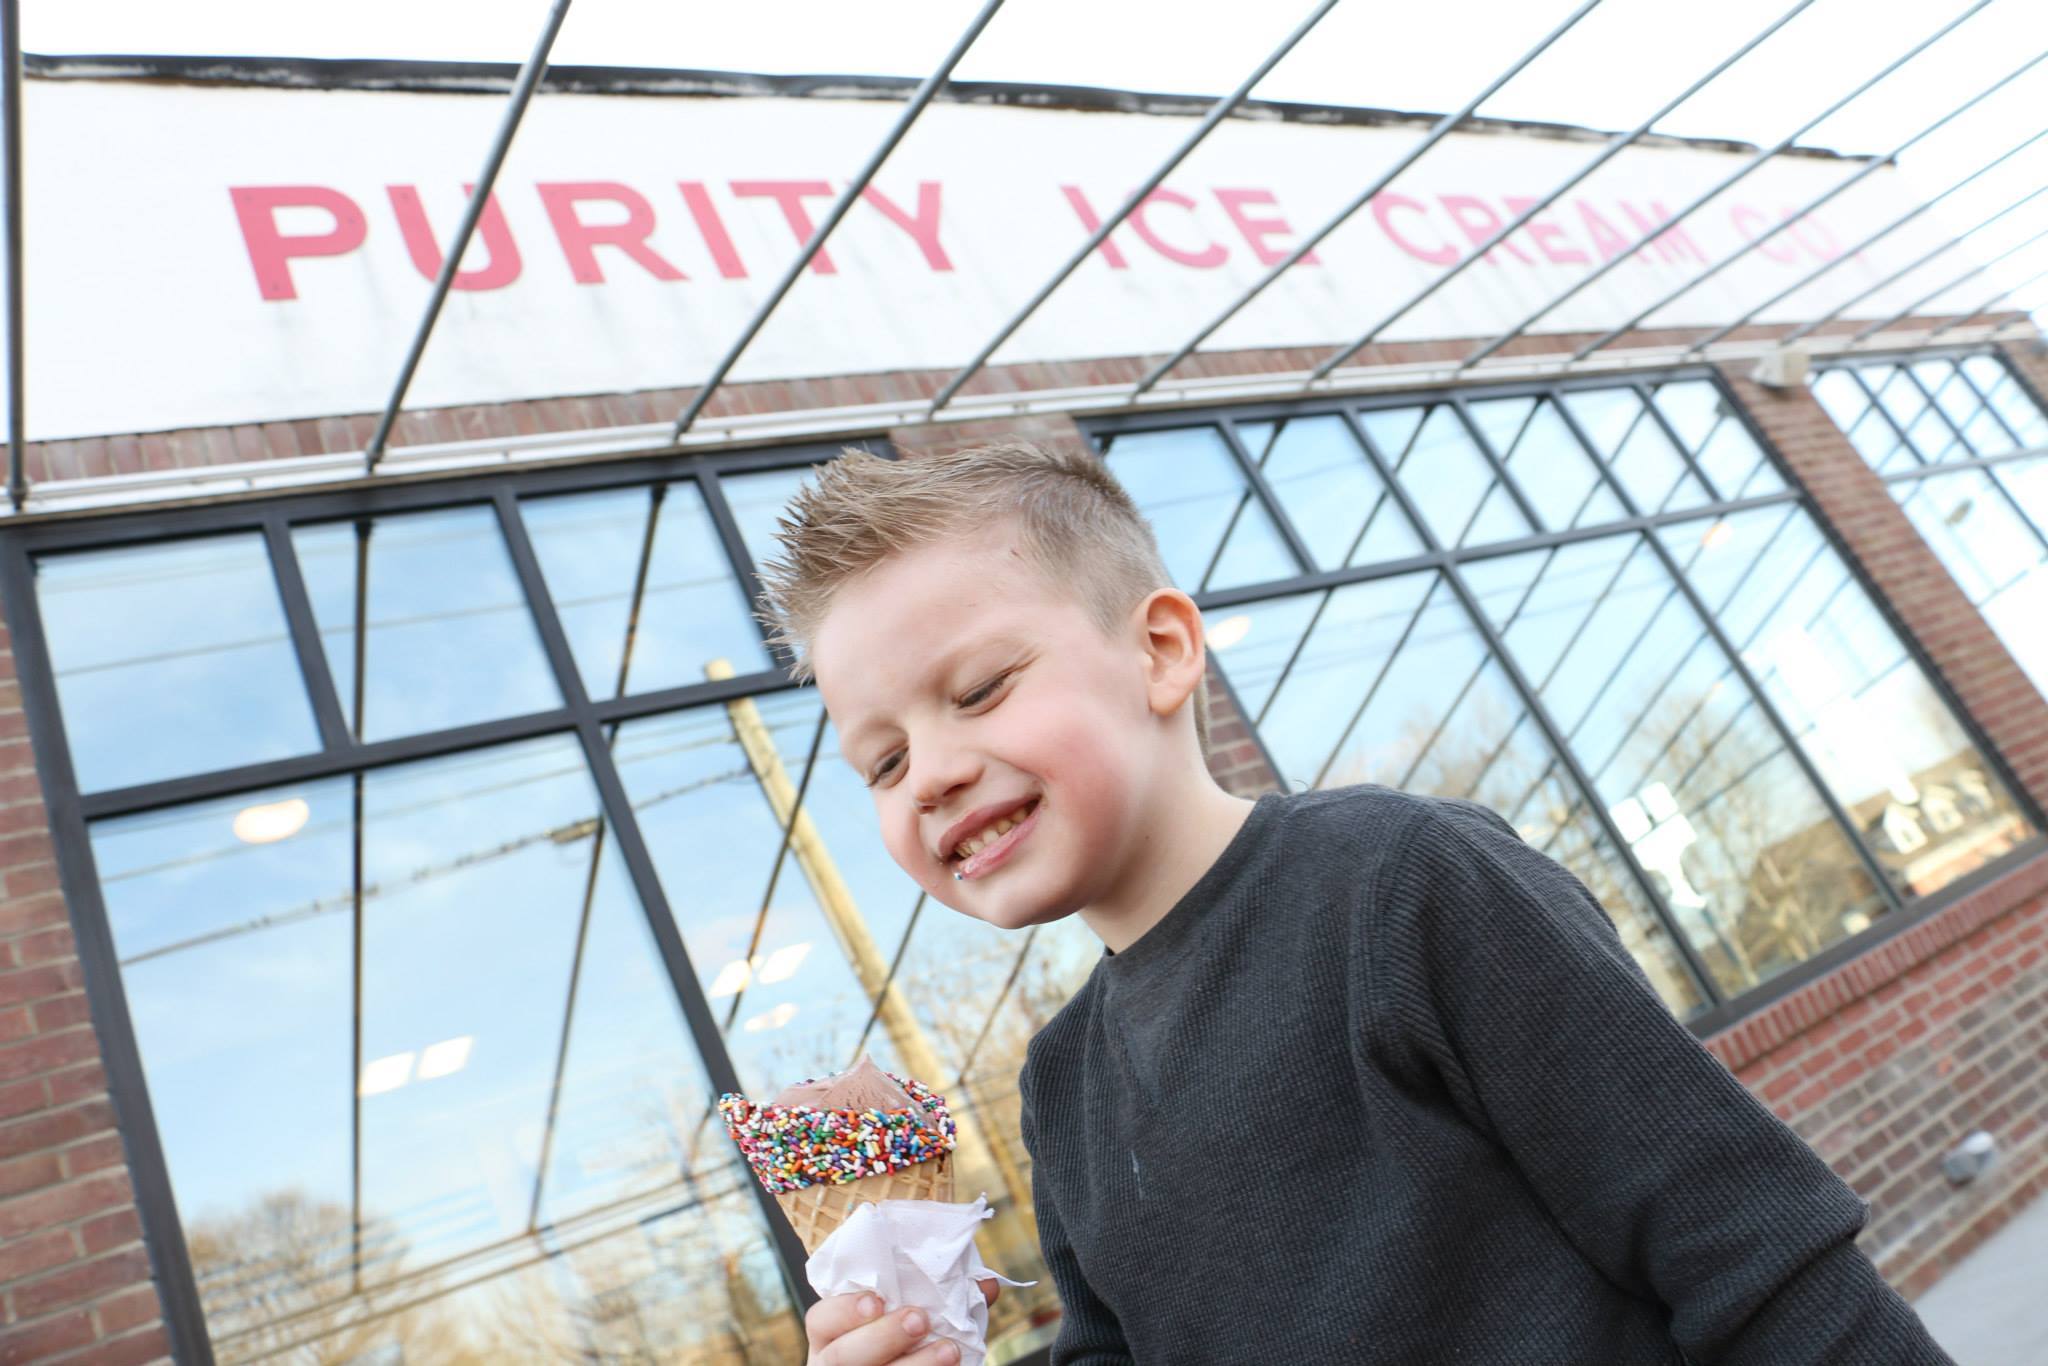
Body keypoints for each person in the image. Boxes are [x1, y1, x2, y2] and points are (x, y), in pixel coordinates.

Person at [756, 440, 1955, 1365]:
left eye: (977, 688)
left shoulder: (1398, 884)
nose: (936, 771)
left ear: (1163, 651)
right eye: (883, 763)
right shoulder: (1060, 1086)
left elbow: (1752, 1250)